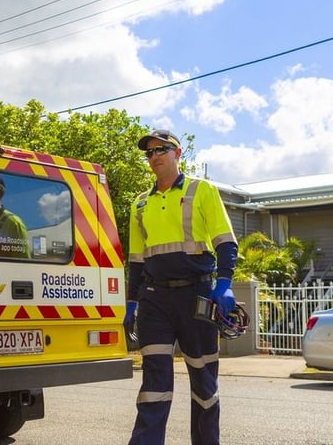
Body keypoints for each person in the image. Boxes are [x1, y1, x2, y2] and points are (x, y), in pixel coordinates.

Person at [125, 130, 238, 445]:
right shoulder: (139, 204)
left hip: (197, 296)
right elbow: (136, 260)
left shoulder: (201, 190)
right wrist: (132, 302)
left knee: (204, 382)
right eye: (149, 153)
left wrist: (225, 284)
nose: (155, 156)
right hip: (154, 301)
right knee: (154, 384)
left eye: (161, 149)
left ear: (178, 154)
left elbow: (225, 242)